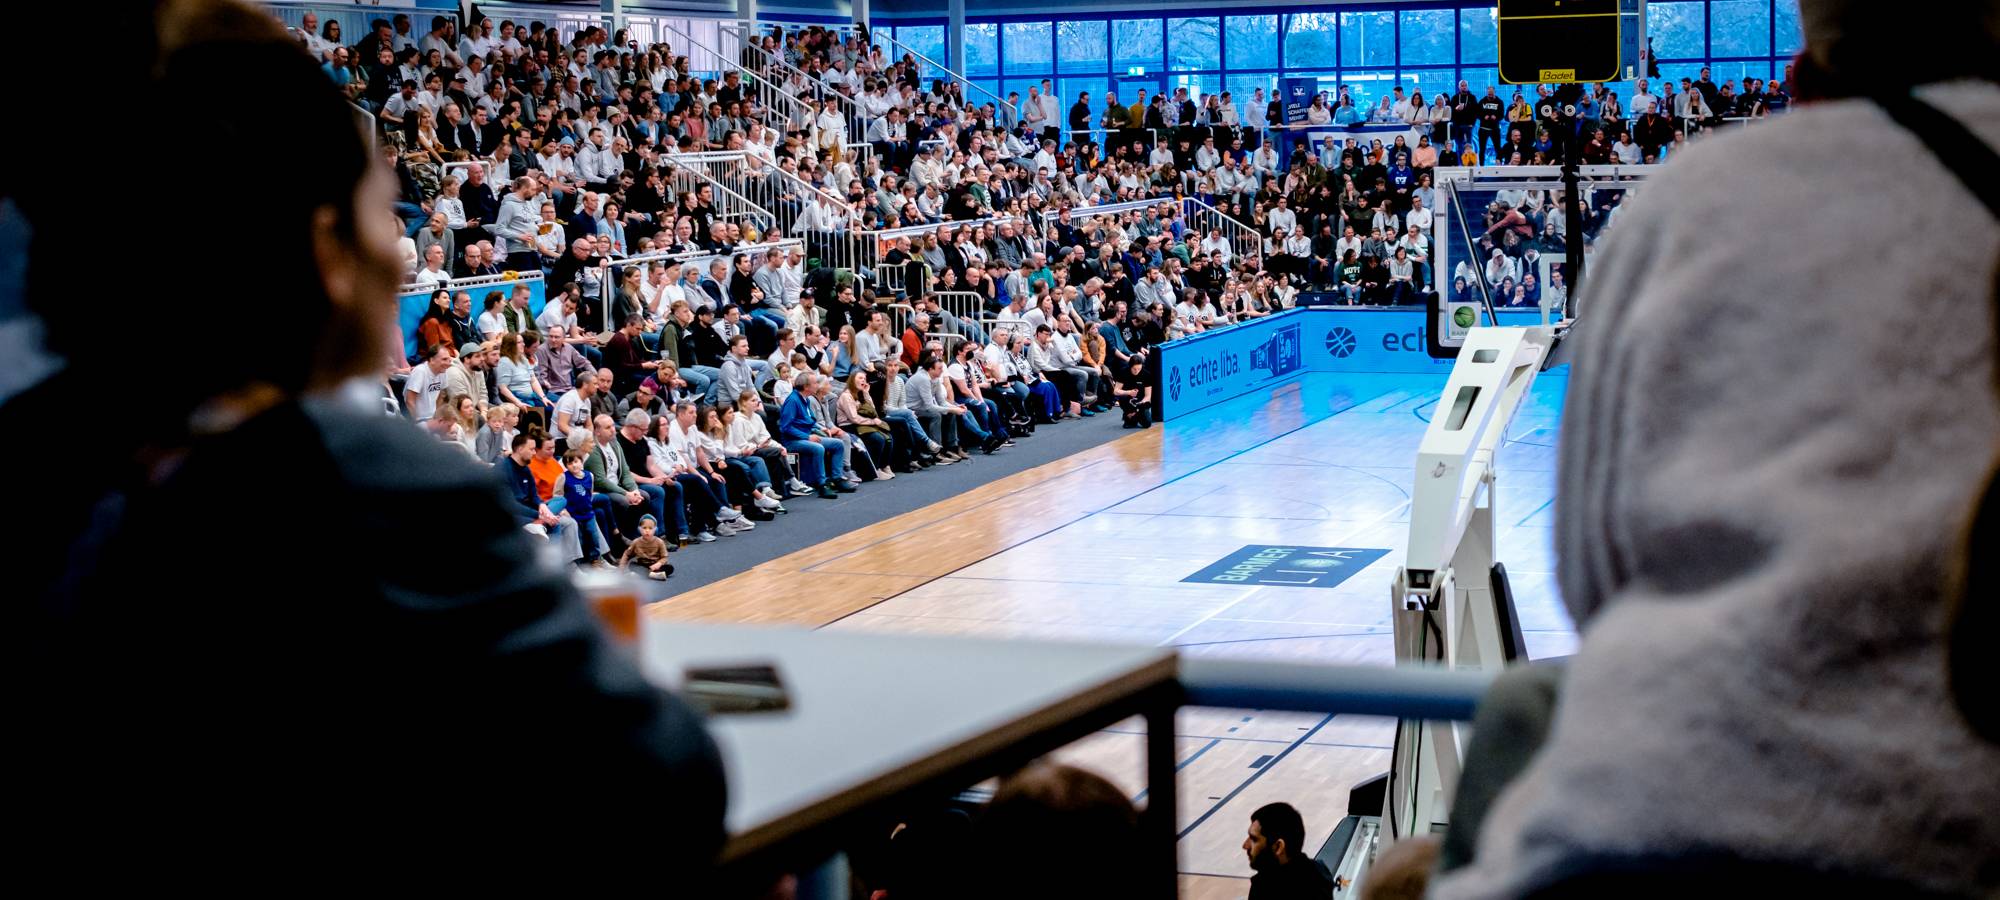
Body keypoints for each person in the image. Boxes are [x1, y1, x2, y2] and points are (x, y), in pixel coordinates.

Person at [6, 0, 723, 874]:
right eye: (384, 213)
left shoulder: (38, 457)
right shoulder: (362, 482)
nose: (399, 256)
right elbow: (661, 780)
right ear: (324, 248)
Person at [1431, 3, 2000, 897]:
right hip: (1952, 822)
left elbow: (1592, 579)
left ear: (1802, 86)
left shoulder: (1689, 202)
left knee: (1516, 719)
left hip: (1658, 818)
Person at [1244, 802, 1333, 899]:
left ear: (1278, 847)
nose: (1245, 845)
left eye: (1254, 839)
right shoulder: (1319, 870)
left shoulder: (1264, 889)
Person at [619, 514, 674, 581]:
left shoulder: (660, 542)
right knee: (632, 564)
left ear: (655, 530)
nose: (647, 531)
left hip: (655, 565)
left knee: (670, 567)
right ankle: (653, 575)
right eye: (644, 528)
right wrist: (621, 566)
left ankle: (646, 574)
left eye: (650, 528)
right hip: (642, 565)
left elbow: (664, 557)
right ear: (639, 529)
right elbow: (627, 554)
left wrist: (658, 564)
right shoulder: (636, 542)